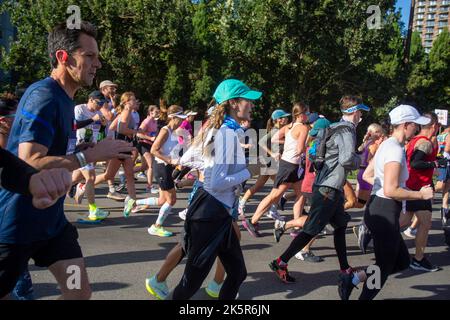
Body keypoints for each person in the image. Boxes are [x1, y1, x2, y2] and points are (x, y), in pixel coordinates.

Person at [0, 21, 133, 299]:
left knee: (78, 294)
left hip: (52, 227)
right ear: (63, 57)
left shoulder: (64, 99)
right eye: (89, 56)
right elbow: (29, 162)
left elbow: (51, 153)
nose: (98, 63)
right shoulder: (44, 97)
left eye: (97, 56)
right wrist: (90, 155)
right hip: (16, 226)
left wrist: (80, 148)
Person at [171, 79, 261, 300]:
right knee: (190, 283)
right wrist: (250, 171)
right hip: (209, 214)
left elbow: (188, 158)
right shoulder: (226, 133)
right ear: (232, 103)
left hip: (217, 211)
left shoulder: (220, 129)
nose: (252, 105)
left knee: (238, 272)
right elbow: (217, 183)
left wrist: (208, 168)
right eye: (247, 100)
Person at [269, 95, 369, 287]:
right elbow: (348, 159)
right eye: (360, 112)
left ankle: (345, 269)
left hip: (329, 186)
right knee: (310, 230)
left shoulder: (333, 126)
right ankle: (280, 262)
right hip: (328, 189)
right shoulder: (347, 130)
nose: (361, 116)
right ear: (354, 112)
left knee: (340, 226)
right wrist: (361, 161)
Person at [340, 104, 434, 300]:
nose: (417, 129)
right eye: (415, 125)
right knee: (383, 268)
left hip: (380, 208)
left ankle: (354, 279)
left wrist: (382, 187)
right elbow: (391, 190)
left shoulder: (388, 145)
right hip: (384, 211)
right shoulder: (395, 150)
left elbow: (368, 175)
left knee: (399, 262)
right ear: (406, 125)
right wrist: (420, 195)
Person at [243, 102, 310, 237]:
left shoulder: (288, 127)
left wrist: (288, 144)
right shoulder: (303, 128)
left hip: (291, 165)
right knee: (275, 195)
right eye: (307, 113)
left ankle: (296, 226)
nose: (308, 116)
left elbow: (274, 139)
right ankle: (253, 220)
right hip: (291, 166)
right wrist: (308, 149)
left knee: (301, 193)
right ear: (300, 115)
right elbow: (300, 149)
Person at [131, 105, 188, 237]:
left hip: (165, 167)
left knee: (162, 200)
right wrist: (170, 160)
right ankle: (156, 226)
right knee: (172, 199)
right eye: (180, 118)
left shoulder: (174, 131)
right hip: (162, 168)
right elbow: (153, 150)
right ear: (173, 118)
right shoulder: (165, 130)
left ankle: (134, 202)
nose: (182, 121)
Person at [400, 112, 443, 272]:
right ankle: (418, 259)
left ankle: (370, 230)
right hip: (419, 187)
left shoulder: (416, 140)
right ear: (434, 126)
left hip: (414, 185)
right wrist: (435, 164)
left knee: (404, 220)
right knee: (425, 223)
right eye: (437, 126)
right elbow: (416, 163)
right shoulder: (424, 142)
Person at [94, 92, 141, 217]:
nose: (135, 101)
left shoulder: (124, 113)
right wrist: (135, 132)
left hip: (124, 147)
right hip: (121, 148)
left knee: (128, 176)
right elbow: (120, 129)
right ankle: (84, 186)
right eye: (133, 99)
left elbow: (112, 127)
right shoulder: (126, 113)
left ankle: (133, 204)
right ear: (126, 102)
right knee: (109, 175)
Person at [238, 109, 290, 220]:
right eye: (284, 117)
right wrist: (273, 153)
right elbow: (261, 142)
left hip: (270, 162)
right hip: (270, 162)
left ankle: (241, 204)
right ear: (278, 120)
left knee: (259, 185)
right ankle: (272, 210)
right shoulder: (275, 130)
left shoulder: (281, 129)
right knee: (280, 187)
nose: (287, 118)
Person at [72, 90, 110, 221]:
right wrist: (92, 119)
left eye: (103, 104)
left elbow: (98, 132)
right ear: (91, 99)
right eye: (99, 103)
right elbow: (75, 125)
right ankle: (93, 210)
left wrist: (102, 126)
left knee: (76, 177)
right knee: (91, 177)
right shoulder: (80, 109)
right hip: (79, 147)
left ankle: (54, 193)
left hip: (91, 148)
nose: (100, 106)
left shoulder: (99, 113)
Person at [136, 105, 160, 194]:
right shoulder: (147, 121)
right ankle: (149, 187)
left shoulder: (154, 121)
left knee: (144, 167)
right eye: (156, 112)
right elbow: (138, 134)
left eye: (158, 112)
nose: (158, 114)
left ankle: (124, 174)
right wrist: (150, 138)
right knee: (151, 165)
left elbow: (153, 133)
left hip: (149, 144)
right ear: (151, 113)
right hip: (143, 144)